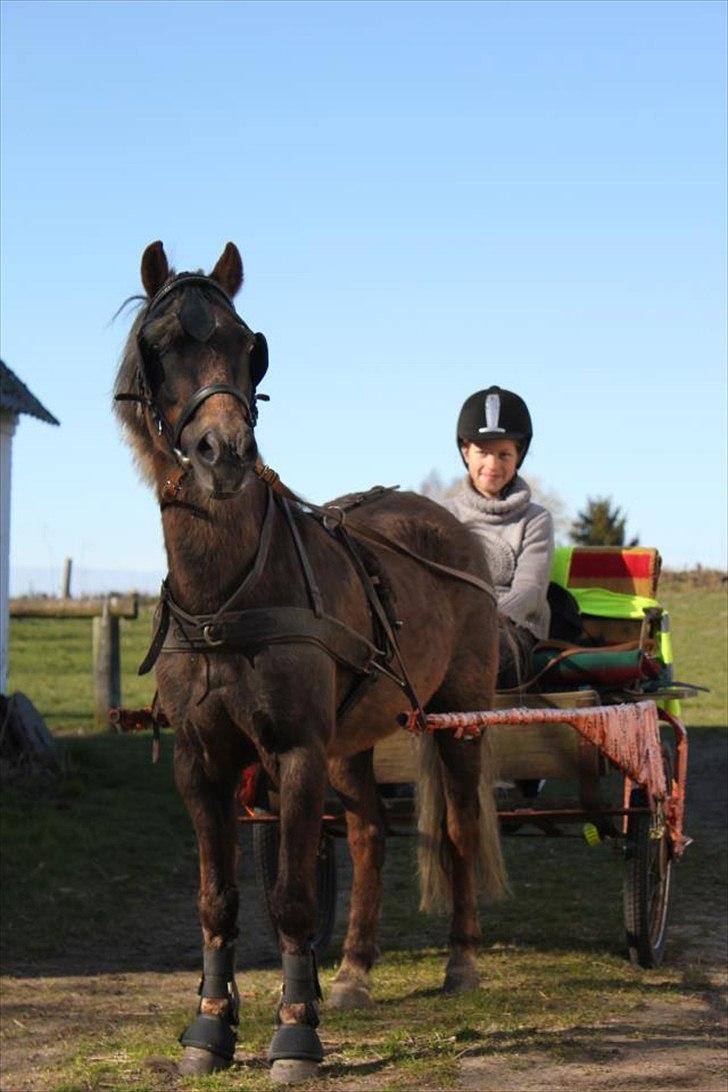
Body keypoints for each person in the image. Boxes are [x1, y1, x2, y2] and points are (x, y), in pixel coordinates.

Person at [444, 386, 554, 689]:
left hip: (515, 630)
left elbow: (530, 591)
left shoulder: (535, 519)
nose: (492, 465)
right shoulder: (443, 516)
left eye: (504, 454)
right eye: (483, 452)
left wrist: (479, 622)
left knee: (485, 655)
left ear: (518, 456)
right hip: (452, 627)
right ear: (466, 452)